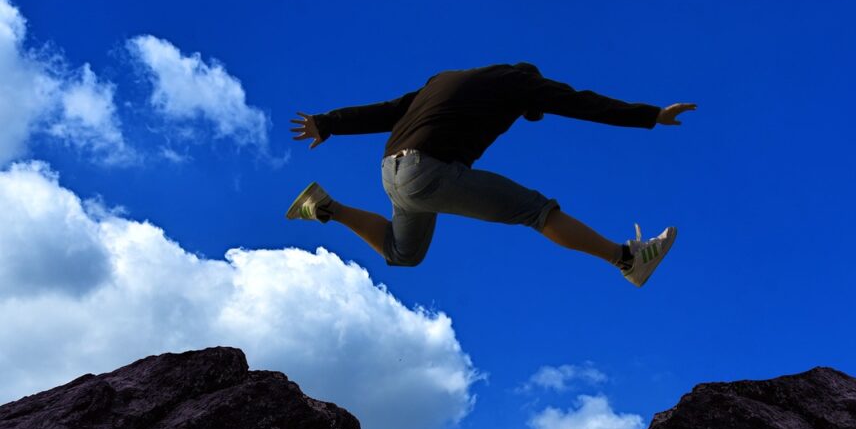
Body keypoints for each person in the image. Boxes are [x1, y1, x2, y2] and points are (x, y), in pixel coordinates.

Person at [288, 62, 695, 287]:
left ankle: (326, 208)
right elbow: (580, 103)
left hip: (392, 170)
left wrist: (328, 122)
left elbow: (388, 109)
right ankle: (627, 260)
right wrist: (650, 115)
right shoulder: (522, 83)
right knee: (536, 211)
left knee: (402, 254)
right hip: (428, 172)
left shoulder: (442, 80)